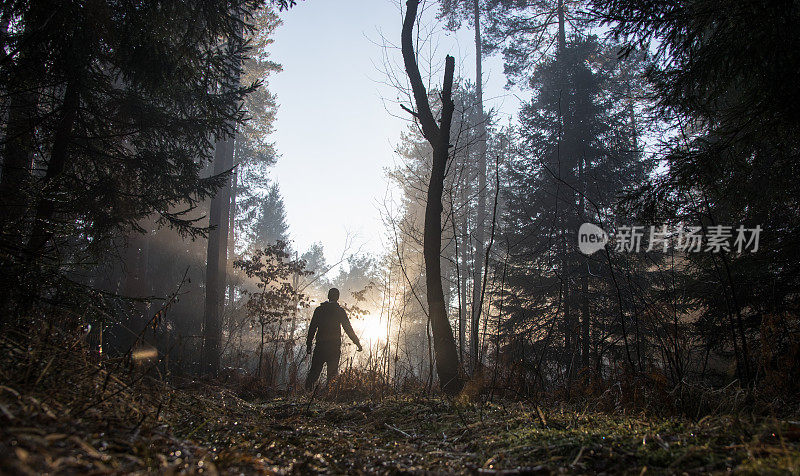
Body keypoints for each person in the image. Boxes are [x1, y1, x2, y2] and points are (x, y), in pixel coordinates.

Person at [304, 288, 362, 391]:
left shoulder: (319, 310)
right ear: (338, 297)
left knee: (314, 373)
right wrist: (357, 343)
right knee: (332, 375)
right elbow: (348, 329)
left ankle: (306, 394)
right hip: (334, 347)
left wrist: (309, 344)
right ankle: (329, 396)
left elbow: (312, 328)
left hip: (320, 347)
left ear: (328, 296)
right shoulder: (340, 311)